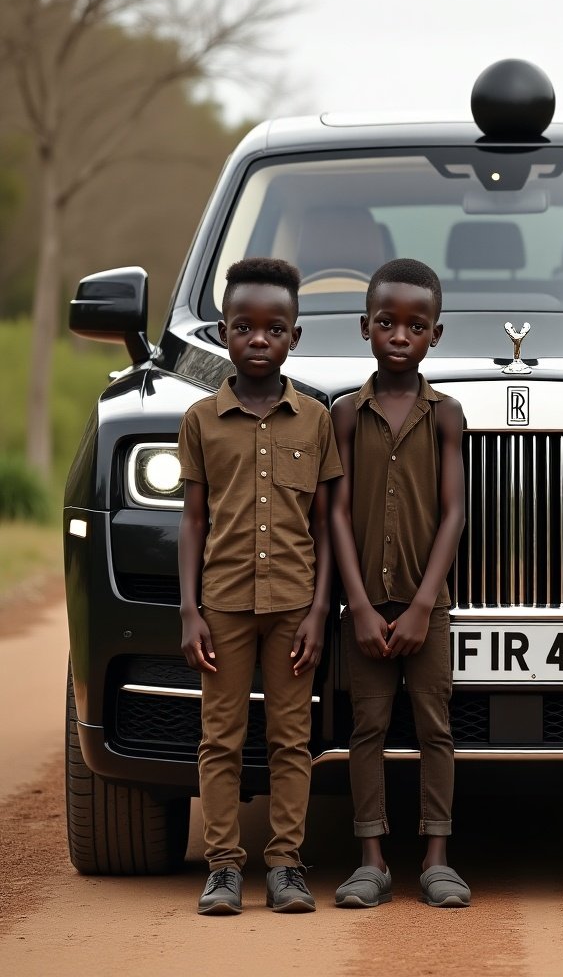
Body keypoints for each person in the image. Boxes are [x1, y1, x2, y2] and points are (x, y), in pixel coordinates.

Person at [178, 257, 343, 916]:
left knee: (289, 738)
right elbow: (192, 520)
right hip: (221, 606)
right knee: (220, 737)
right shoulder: (199, 419)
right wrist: (189, 611)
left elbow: (327, 523)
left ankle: (285, 867)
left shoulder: (316, 419)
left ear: (294, 337)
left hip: (292, 607)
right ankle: (222, 867)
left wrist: (319, 610)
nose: (258, 339)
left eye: (274, 329)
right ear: (223, 333)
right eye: (243, 326)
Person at [330, 257, 469, 909]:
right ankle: (372, 859)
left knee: (434, 725)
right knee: (368, 727)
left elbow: (454, 512)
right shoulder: (345, 415)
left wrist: (421, 606)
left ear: (435, 335)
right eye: (386, 322)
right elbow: (334, 510)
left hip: (424, 605)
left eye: (415, 326)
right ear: (365, 327)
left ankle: (437, 857)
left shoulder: (446, 415)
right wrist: (356, 604)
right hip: (364, 604)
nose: (399, 336)